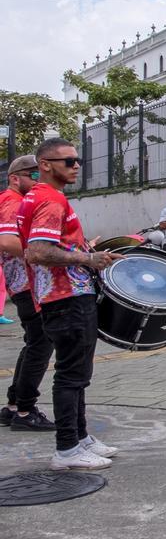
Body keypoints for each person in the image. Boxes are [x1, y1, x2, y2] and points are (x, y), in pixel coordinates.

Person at [17, 138, 121, 469]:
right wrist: (88, 258)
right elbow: (37, 251)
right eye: (68, 161)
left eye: (77, 161)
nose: (76, 165)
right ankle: (66, 449)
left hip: (65, 296)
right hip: (65, 298)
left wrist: (83, 251)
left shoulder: (45, 197)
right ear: (45, 165)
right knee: (71, 374)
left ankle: (79, 437)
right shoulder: (49, 199)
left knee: (78, 372)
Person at [0, 155, 55, 431]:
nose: (38, 179)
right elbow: (8, 241)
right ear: (14, 178)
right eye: (32, 175)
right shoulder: (12, 202)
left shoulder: (15, 201)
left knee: (35, 342)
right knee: (41, 344)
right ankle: (24, 411)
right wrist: (51, 254)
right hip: (26, 285)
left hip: (25, 285)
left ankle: (14, 406)